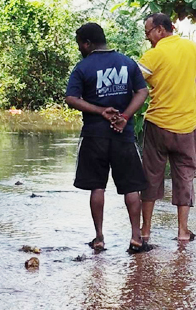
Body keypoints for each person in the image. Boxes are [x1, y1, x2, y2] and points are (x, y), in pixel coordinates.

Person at [64, 22, 149, 254]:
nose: (80, 48)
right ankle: (136, 237)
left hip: (94, 136)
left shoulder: (83, 67)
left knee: (97, 187)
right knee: (131, 187)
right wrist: (124, 116)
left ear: (87, 43)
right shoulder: (127, 63)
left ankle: (100, 238)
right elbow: (142, 91)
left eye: (80, 44)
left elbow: (71, 98)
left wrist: (100, 111)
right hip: (123, 135)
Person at [137, 13, 196, 248]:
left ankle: (145, 231)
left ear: (159, 30)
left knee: (151, 176)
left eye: (148, 32)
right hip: (186, 126)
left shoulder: (153, 55)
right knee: (185, 177)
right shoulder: (194, 49)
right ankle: (182, 231)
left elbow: (135, 85)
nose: (147, 38)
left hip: (158, 124)